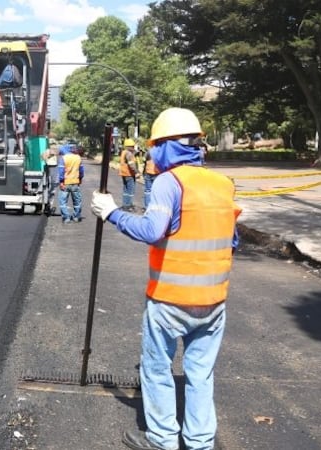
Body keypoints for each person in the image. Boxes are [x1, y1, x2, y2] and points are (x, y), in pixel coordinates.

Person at [90, 107, 242, 450]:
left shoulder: (169, 183)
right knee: (200, 373)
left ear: (166, 146)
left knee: (157, 368)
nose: (152, 153)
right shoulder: (223, 184)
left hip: (170, 298)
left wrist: (111, 212)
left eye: (155, 146)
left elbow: (151, 230)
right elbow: (232, 240)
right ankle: (200, 442)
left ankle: (162, 439)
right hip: (214, 300)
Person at [58, 143, 84, 223]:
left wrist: (61, 181)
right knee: (77, 201)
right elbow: (81, 171)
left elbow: (61, 171)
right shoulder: (78, 158)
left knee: (63, 202)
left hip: (65, 183)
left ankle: (66, 218)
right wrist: (80, 179)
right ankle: (76, 217)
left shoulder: (64, 158)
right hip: (75, 183)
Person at [120, 138, 141, 212]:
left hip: (124, 174)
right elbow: (131, 164)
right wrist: (137, 172)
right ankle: (128, 205)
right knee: (130, 191)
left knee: (125, 190)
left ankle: (125, 205)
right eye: (132, 146)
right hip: (129, 174)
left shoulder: (124, 152)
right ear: (129, 146)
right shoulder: (129, 154)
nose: (133, 147)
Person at [41, 139, 60, 214]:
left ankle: (49, 206)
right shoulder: (47, 151)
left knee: (52, 190)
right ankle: (46, 205)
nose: (53, 146)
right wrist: (48, 154)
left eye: (54, 145)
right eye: (52, 144)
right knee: (47, 189)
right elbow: (43, 157)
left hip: (53, 169)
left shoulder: (57, 152)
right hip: (49, 169)